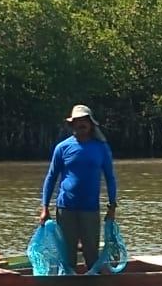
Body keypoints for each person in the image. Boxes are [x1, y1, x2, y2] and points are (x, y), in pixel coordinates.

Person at [39, 105, 118, 271]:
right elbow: (51, 177)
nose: (81, 124)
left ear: (91, 124)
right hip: (66, 208)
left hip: (90, 209)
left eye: (84, 121)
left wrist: (112, 206)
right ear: (72, 124)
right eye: (77, 121)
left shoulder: (101, 148)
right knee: (67, 256)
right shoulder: (62, 147)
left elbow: (110, 177)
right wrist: (44, 207)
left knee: (91, 255)